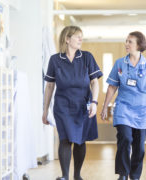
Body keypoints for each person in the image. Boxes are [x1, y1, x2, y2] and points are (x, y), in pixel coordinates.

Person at [42, 26, 102, 180]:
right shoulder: (55, 60)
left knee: (80, 141)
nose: (80, 39)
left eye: (81, 36)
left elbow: (95, 82)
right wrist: (45, 110)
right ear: (67, 39)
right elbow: (49, 86)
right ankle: (65, 176)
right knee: (65, 138)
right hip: (63, 106)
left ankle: (77, 175)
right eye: (77, 36)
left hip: (83, 105)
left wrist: (94, 102)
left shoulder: (87, 57)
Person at [101, 31, 146, 180]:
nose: (126, 44)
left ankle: (134, 176)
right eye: (126, 41)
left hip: (142, 109)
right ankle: (122, 174)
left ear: (139, 45)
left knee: (139, 147)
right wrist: (104, 106)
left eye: (130, 42)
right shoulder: (120, 63)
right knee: (125, 139)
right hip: (123, 107)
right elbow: (112, 87)